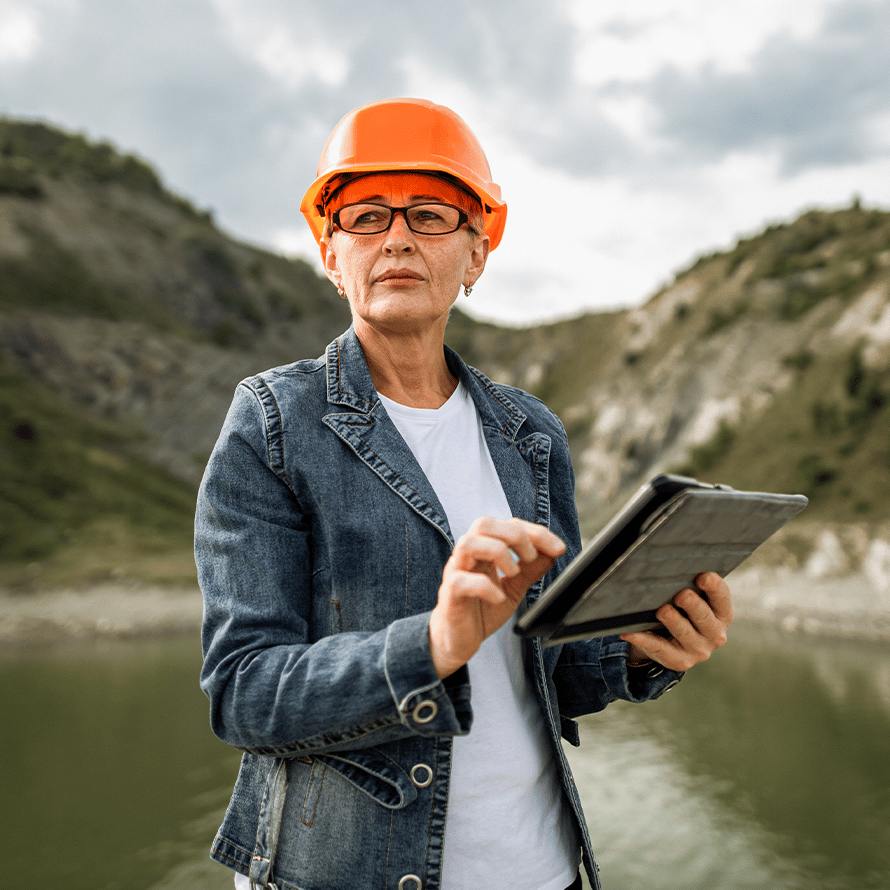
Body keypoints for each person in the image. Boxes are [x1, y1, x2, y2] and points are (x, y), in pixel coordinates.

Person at [196, 97, 733, 890]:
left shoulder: (530, 432)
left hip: (542, 866)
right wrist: (434, 645)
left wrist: (642, 649)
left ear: (477, 253)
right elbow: (244, 694)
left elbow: (555, 671)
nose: (399, 237)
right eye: (366, 216)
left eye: (432, 215)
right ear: (329, 252)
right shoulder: (275, 421)